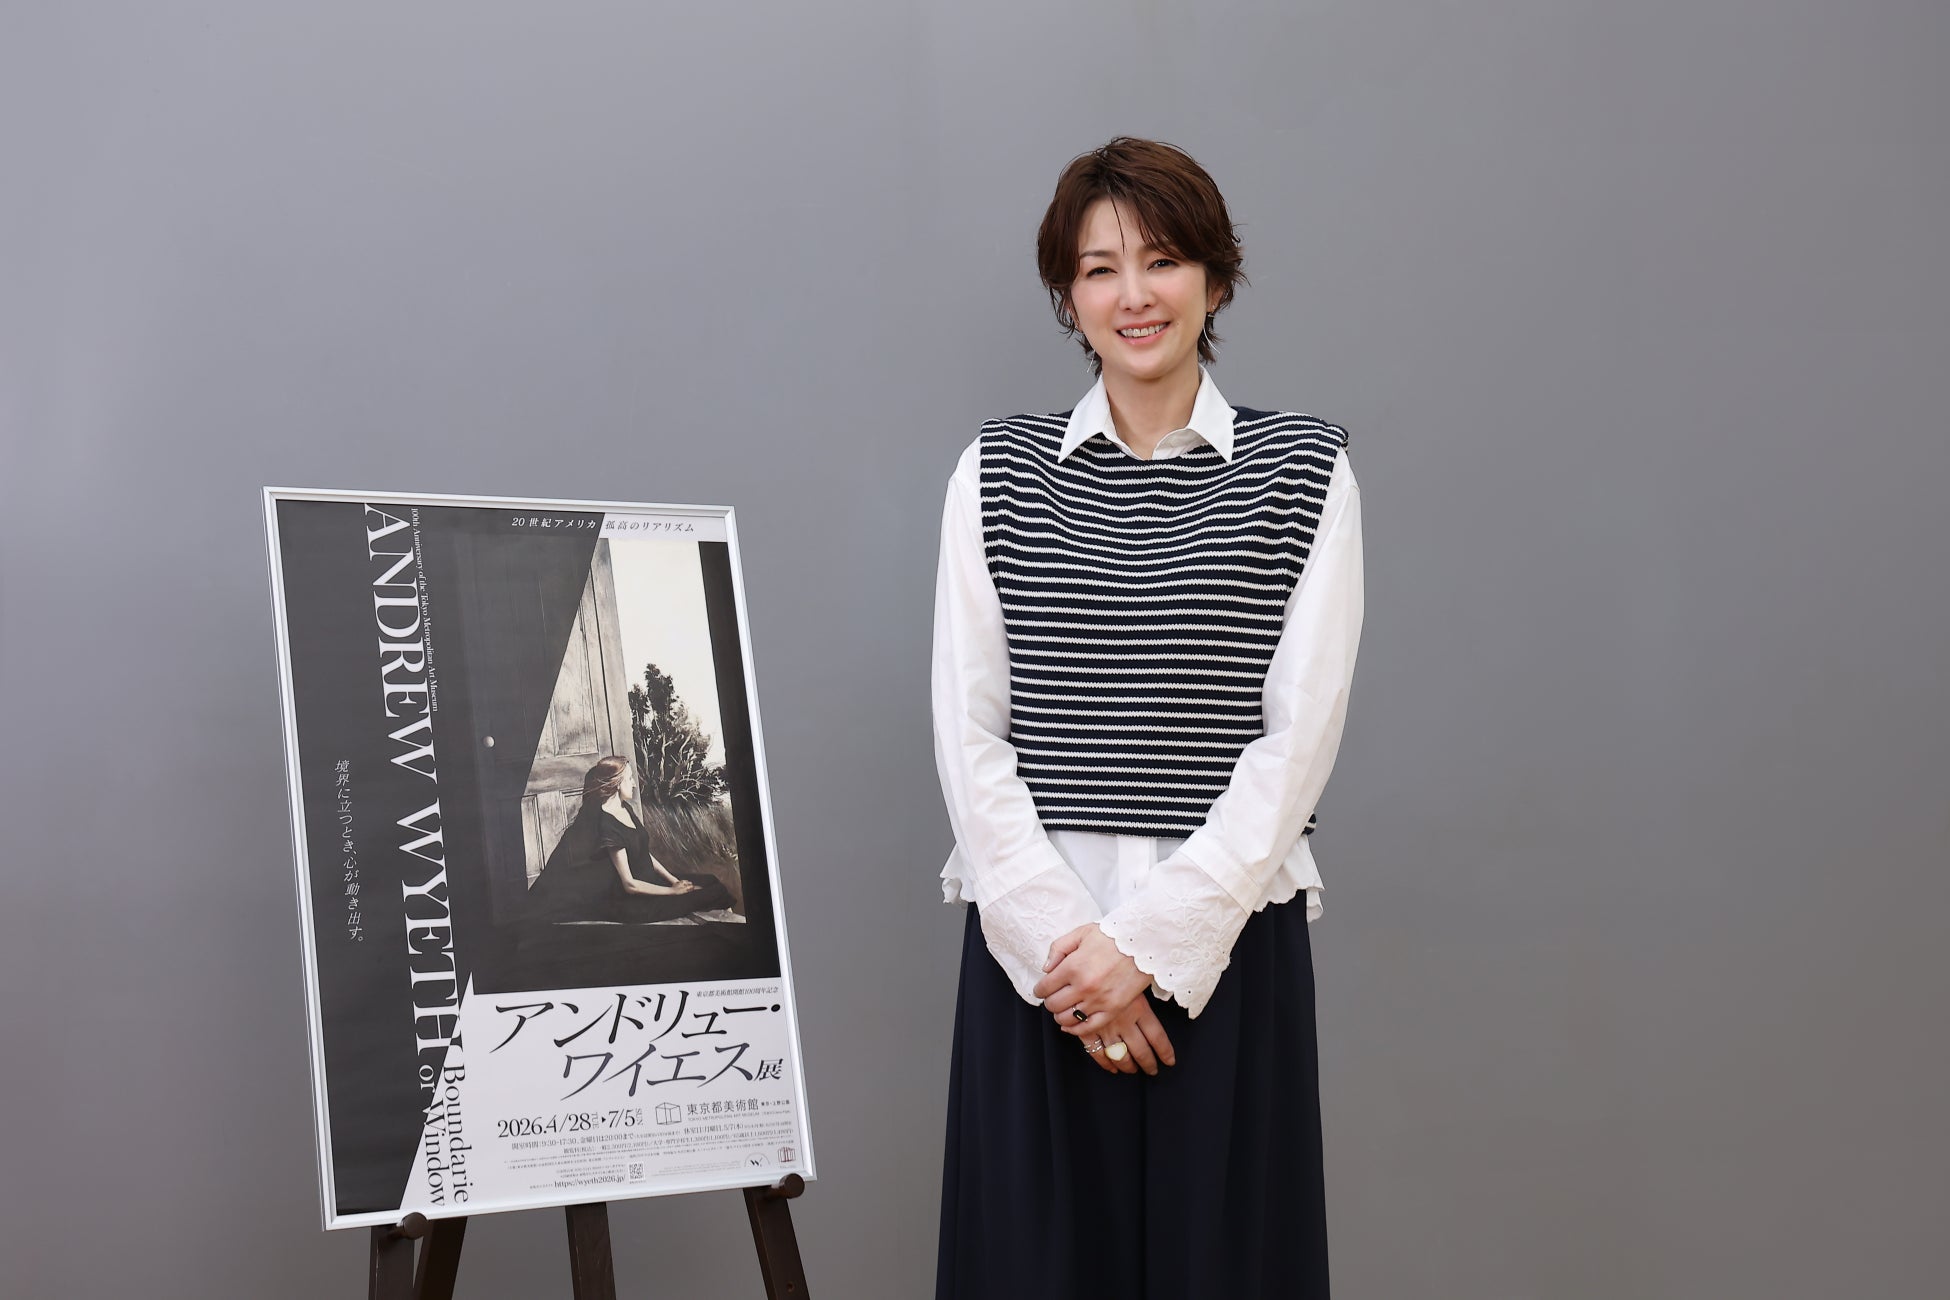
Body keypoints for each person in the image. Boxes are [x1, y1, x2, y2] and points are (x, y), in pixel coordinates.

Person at [932, 137, 1364, 1299]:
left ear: (1215, 279)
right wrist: (1075, 958)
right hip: (1040, 955)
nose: (1135, 294)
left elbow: (1299, 738)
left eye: (1164, 260)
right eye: (1100, 268)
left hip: (1225, 944)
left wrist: (1154, 946)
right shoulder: (998, 470)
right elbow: (968, 732)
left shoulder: (1303, 470)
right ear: (1069, 297)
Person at [526, 755, 734, 924]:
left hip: (653, 883)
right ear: (617, 783)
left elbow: (645, 853)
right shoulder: (607, 824)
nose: (634, 783)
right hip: (638, 902)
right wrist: (672, 892)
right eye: (630, 779)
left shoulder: (625, 809)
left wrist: (674, 880)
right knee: (713, 893)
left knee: (710, 881)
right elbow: (629, 884)